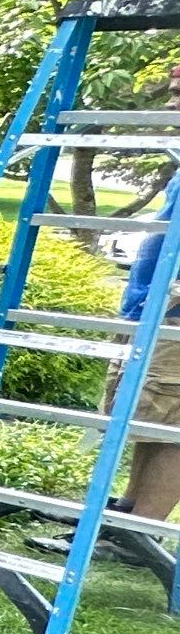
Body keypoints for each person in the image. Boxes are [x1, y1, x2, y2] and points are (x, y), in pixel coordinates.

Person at [121, 180, 177, 522]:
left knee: (174, 424)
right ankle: (127, 512)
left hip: (173, 305)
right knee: (153, 413)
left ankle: (141, 529)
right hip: (153, 300)